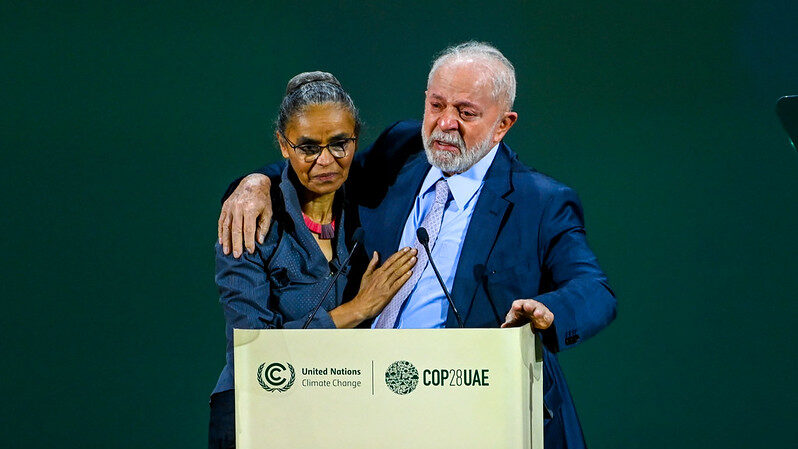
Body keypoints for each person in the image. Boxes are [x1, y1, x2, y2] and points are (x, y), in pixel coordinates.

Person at [218, 43, 617, 449]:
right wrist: (255, 182)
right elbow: (323, 162)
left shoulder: (540, 201)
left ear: (503, 124)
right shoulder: (401, 149)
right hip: (364, 404)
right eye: (436, 105)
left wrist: (548, 312)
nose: (445, 123)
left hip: (477, 411)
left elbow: (595, 290)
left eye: (466, 113)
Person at [208, 71, 417, 449]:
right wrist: (357, 309)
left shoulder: (370, 208)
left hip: (344, 405)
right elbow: (252, 348)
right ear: (283, 145)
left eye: (340, 144)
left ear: (356, 139)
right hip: (257, 407)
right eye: (308, 147)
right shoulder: (248, 219)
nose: (326, 161)